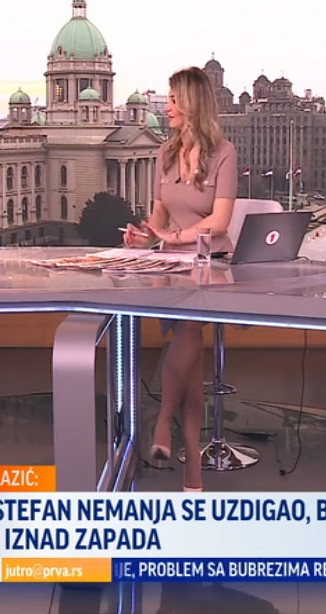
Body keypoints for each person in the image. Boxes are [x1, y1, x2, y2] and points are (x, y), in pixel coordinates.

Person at [123, 67, 237, 491]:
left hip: (212, 262)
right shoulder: (165, 153)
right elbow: (159, 216)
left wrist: (172, 237)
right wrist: (145, 237)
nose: (166, 107)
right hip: (171, 264)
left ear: (191, 104)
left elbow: (219, 221)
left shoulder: (224, 152)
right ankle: (193, 472)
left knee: (188, 328)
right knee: (189, 360)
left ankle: (161, 422)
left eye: (173, 100)